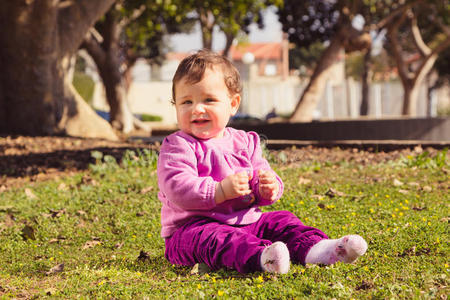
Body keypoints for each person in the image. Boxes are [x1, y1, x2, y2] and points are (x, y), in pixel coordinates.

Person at [157, 49, 367, 274]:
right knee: (216, 239)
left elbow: (261, 172)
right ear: (176, 105)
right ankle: (262, 257)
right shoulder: (178, 145)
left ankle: (319, 249)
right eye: (186, 102)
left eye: (209, 99)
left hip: (248, 222)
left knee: (282, 221)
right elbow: (176, 187)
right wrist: (219, 190)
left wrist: (267, 187)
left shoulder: (245, 141)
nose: (197, 108)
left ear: (233, 104)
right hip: (191, 230)